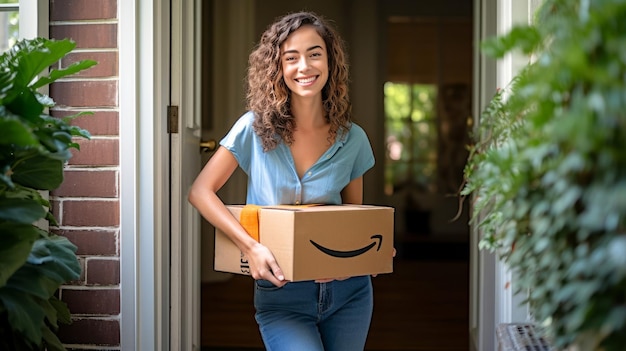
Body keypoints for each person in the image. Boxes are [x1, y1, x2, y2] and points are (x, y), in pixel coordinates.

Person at [188, 11, 379, 351]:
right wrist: (251, 247)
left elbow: (354, 219)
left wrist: (367, 254)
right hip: (282, 294)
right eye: (291, 58)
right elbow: (201, 191)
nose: (304, 66)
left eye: (314, 53)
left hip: (350, 293)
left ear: (330, 61)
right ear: (278, 68)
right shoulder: (253, 128)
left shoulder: (354, 139)